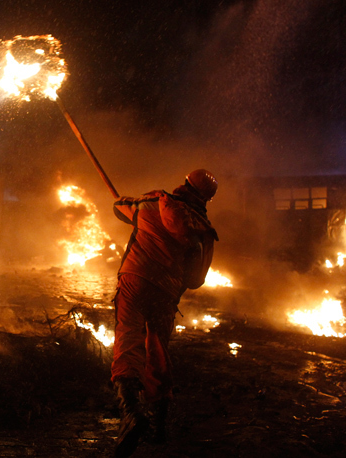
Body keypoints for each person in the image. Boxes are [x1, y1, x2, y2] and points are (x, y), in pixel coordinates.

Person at [110, 169, 219, 457]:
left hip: (134, 279)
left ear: (184, 184)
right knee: (158, 352)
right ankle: (158, 427)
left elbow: (119, 208)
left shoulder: (151, 204)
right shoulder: (204, 231)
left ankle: (130, 412)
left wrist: (128, 200)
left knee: (128, 341)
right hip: (165, 293)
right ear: (207, 198)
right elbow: (196, 280)